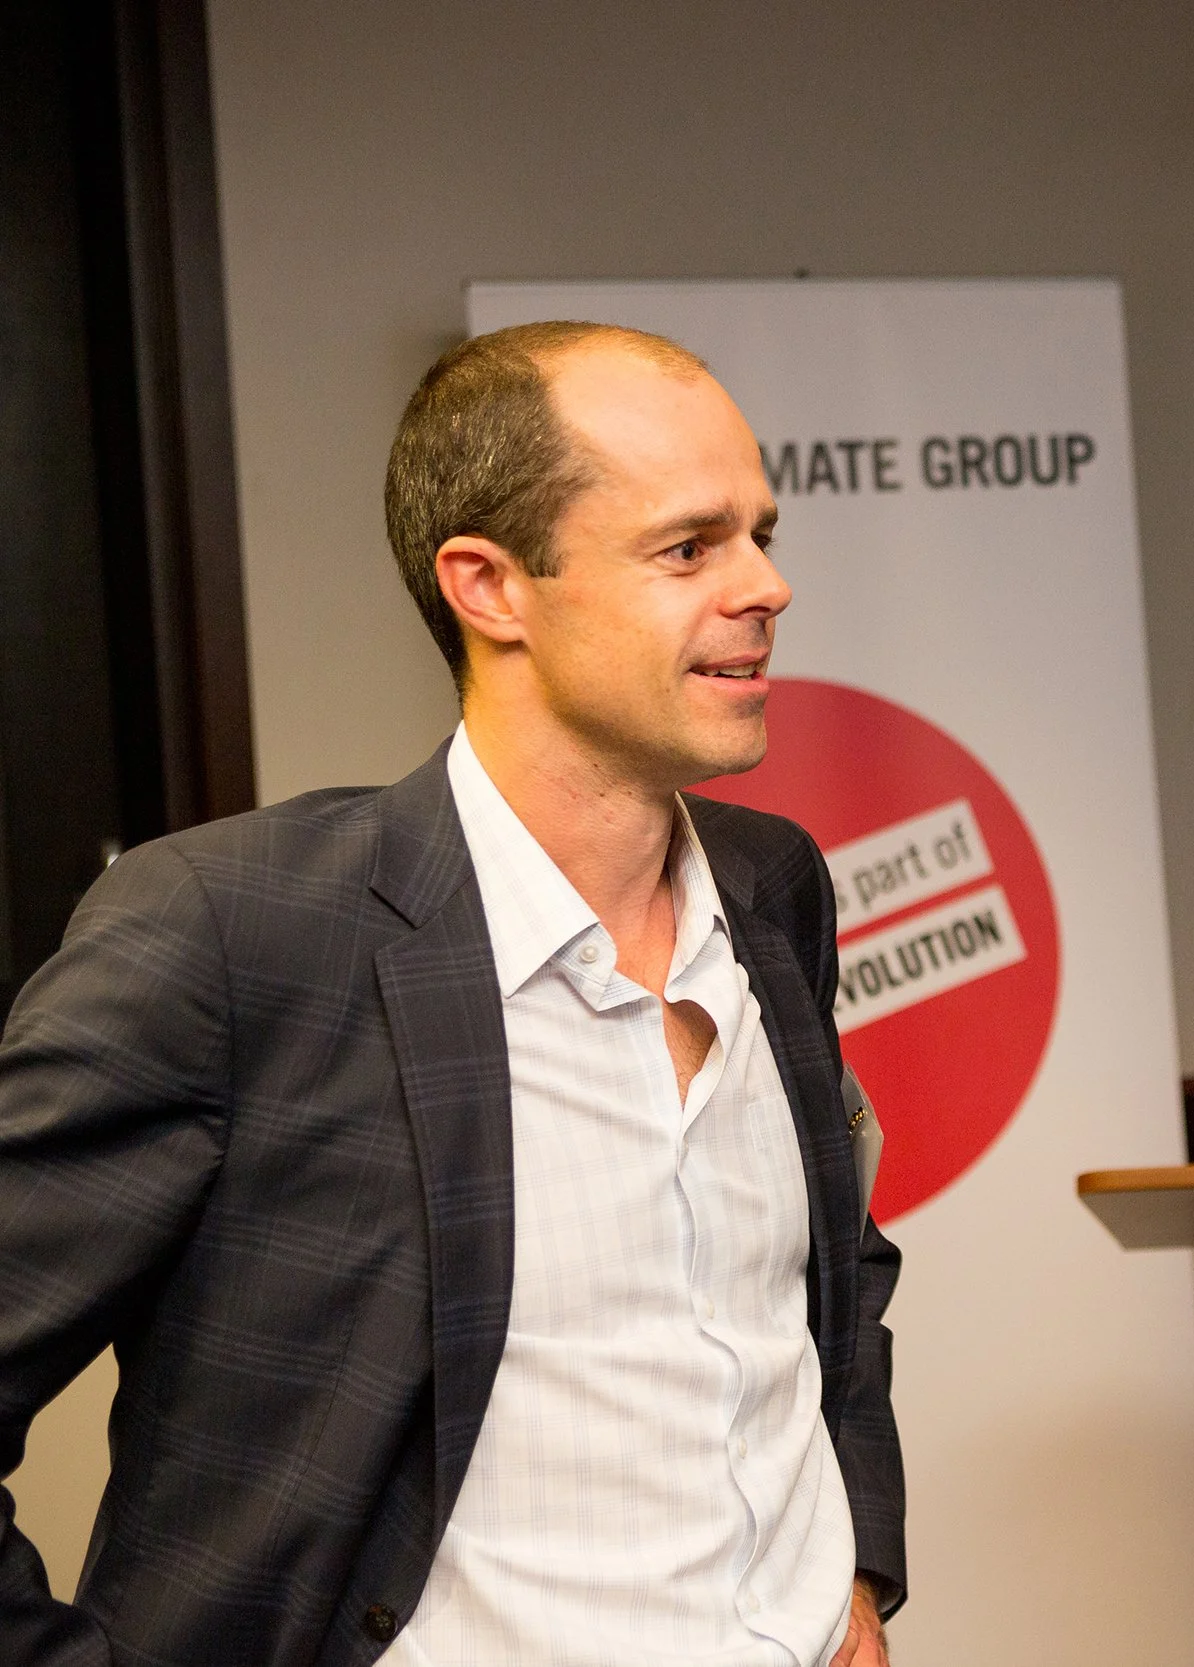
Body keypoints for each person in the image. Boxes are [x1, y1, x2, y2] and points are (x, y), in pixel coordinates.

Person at [0, 322, 905, 1666]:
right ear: (490, 586)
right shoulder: (235, 940)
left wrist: (858, 1578)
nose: (766, 584)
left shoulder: (774, 889)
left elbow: (827, 1284)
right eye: (688, 547)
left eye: (760, 533)